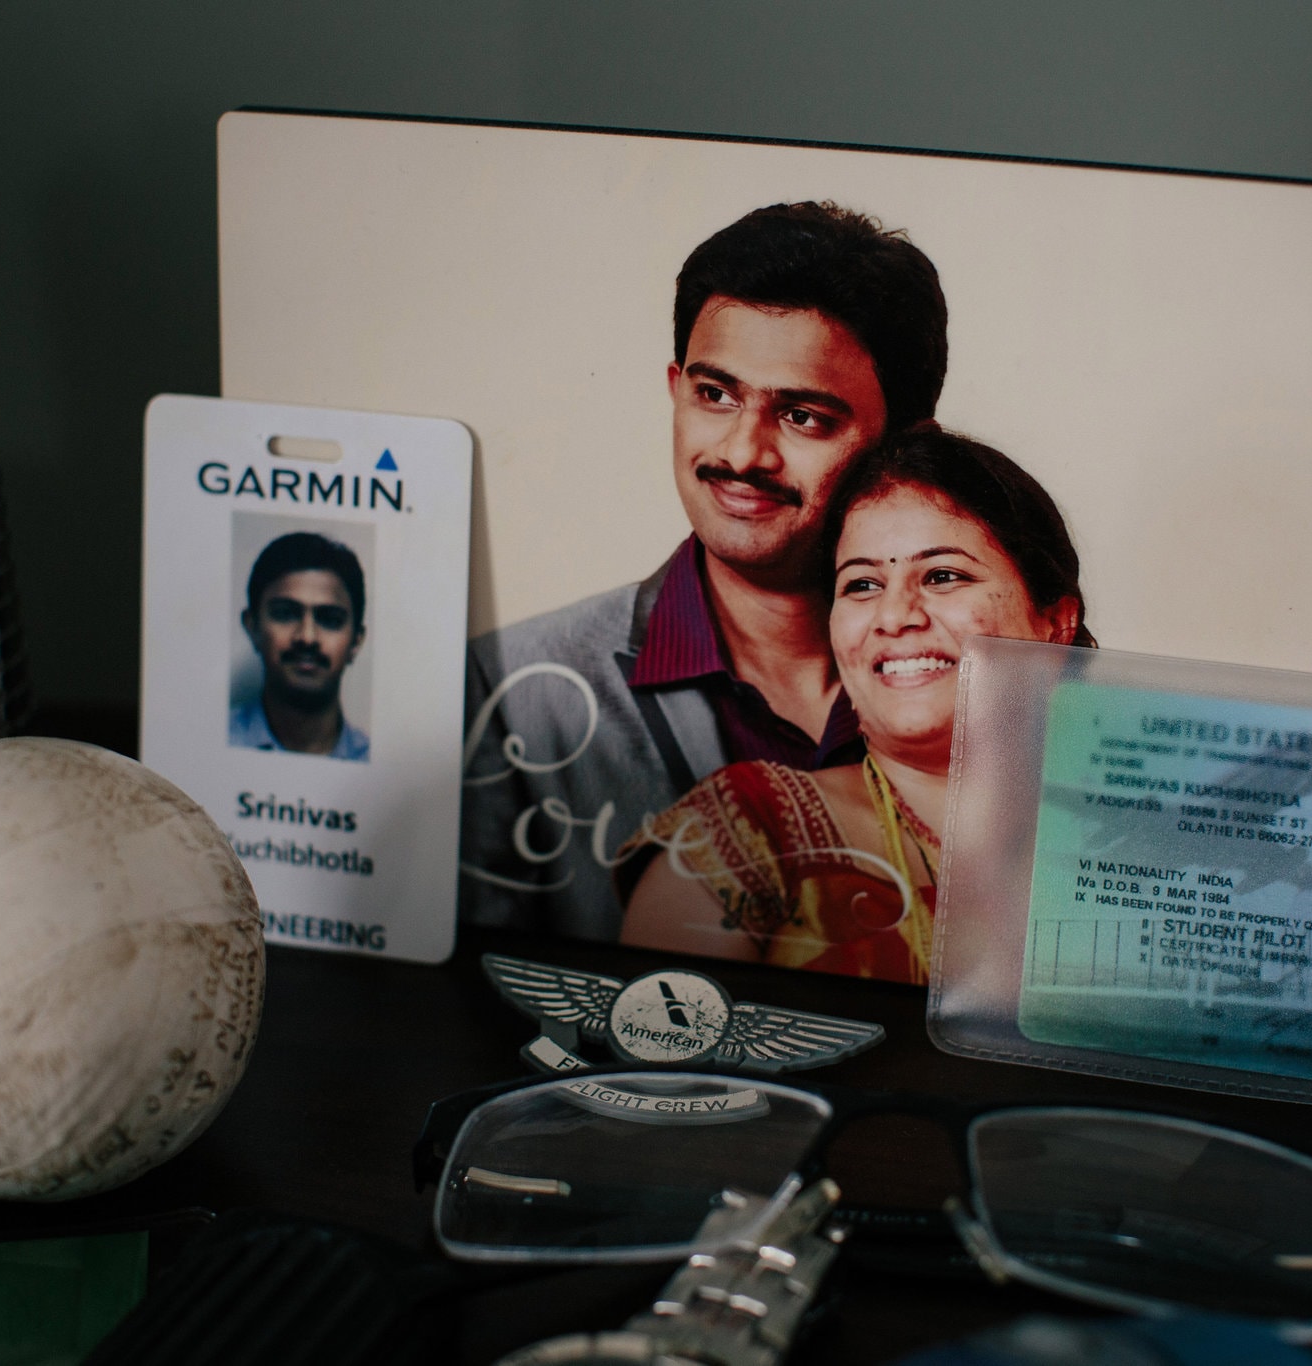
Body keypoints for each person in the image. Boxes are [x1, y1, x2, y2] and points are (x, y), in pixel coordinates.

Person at [460, 201, 948, 939]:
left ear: (909, 448)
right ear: (674, 386)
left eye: (804, 416)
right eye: (714, 395)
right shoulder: (513, 693)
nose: (743, 453)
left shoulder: (983, 695)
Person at [616, 426, 1094, 983]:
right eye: (862, 585)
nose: (894, 617)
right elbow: (660, 1061)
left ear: (1057, 623)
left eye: (942, 576)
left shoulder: (1142, 837)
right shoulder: (752, 832)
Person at [230, 531, 371, 761]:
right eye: (285, 614)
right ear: (252, 626)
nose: (307, 637)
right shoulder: (210, 743)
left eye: (330, 619)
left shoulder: (381, 768)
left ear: (356, 640)